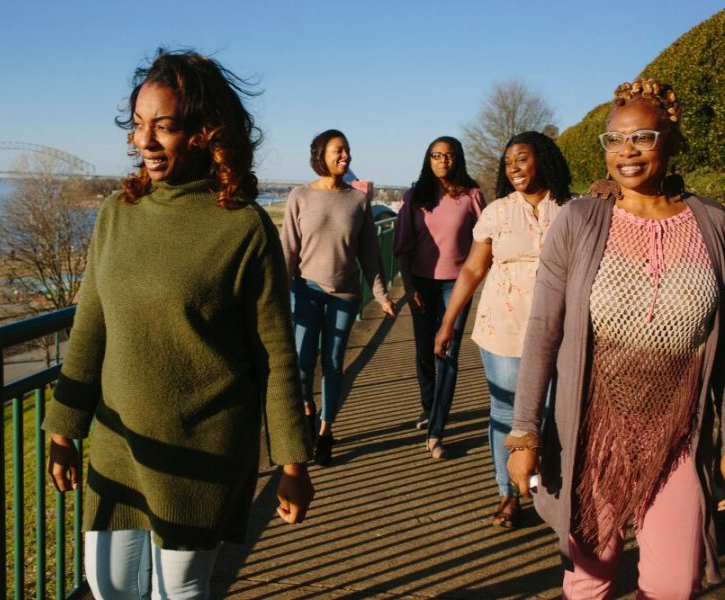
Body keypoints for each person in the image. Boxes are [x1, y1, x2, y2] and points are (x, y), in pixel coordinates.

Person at [42, 49, 314, 600]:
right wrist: (61, 427)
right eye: (138, 125)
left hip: (203, 452)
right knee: (109, 585)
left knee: (180, 593)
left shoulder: (243, 227)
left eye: (162, 126)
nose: (143, 141)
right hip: (119, 444)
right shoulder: (117, 213)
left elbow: (277, 357)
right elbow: (90, 325)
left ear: (204, 133)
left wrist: (292, 462)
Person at [507, 78, 725, 597]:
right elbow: (542, 332)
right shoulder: (580, 220)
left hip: (679, 435)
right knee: (590, 579)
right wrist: (524, 433)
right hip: (592, 434)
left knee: (676, 584)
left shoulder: (716, 225)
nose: (626, 151)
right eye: (614, 140)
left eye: (643, 137)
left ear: (670, 141)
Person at [433, 131, 572, 527]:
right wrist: (447, 324)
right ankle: (506, 493)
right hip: (503, 326)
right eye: (508, 162)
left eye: (522, 159)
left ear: (543, 160)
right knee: (505, 410)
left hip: (557, 328)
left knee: (549, 412)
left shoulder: (573, 208)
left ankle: (545, 489)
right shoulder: (496, 211)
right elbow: (474, 268)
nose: (513, 167)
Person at [281, 129, 395, 467]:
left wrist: (381, 294)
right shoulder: (299, 196)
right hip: (305, 292)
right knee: (302, 364)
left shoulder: (357, 201)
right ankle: (306, 408)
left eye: (347, 151)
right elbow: (288, 250)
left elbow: (370, 255)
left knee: (332, 363)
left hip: (344, 296)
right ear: (320, 155)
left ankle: (325, 431)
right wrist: (276, 295)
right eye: (338, 151)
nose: (345, 156)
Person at [393, 136, 484, 459]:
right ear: (428, 159)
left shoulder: (472, 196)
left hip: (456, 287)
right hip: (421, 284)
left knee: (447, 353)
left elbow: (484, 242)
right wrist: (407, 287)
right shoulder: (414, 196)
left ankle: (436, 431)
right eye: (436, 155)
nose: (443, 160)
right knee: (423, 353)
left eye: (449, 155)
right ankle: (428, 407)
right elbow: (401, 247)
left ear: (458, 159)